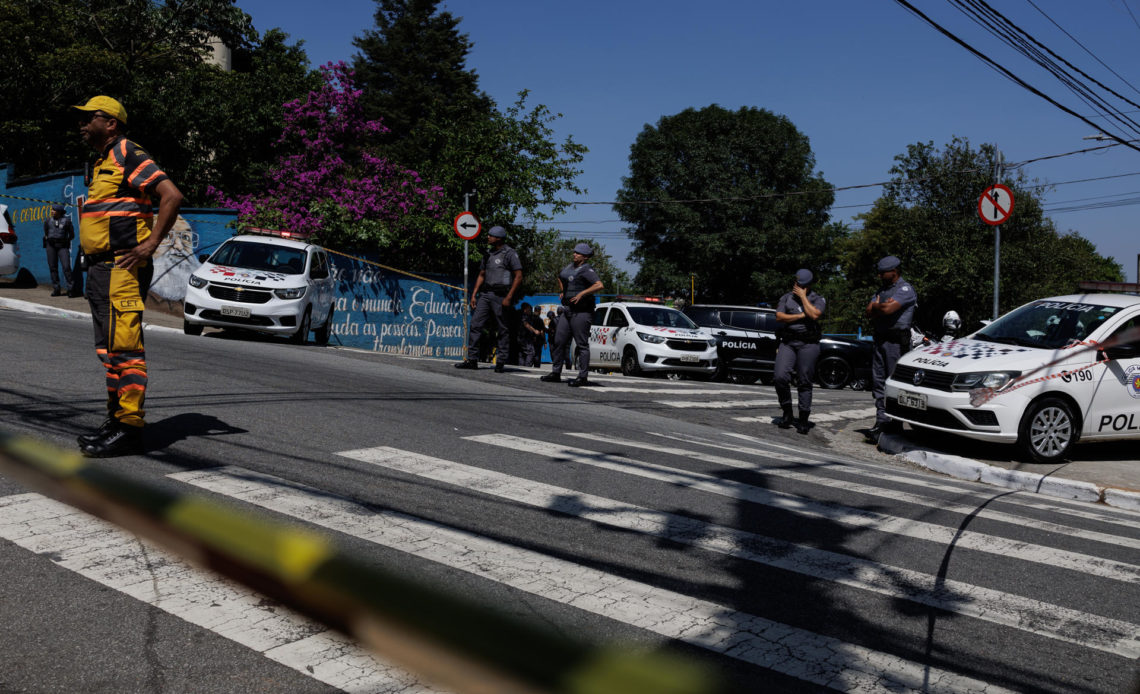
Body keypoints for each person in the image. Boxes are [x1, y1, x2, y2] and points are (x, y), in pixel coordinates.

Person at [71, 96, 184, 457]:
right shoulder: (102, 160)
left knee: (125, 348)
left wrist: (151, 244)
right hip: (102, 268)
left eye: (91, 117)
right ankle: (116, 419)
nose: (83, 123)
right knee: (109, 349)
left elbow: (171, 195)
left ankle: (130, 428)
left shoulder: (127, 153)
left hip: (122, 268)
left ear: (112, 122)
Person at [864, 255, 917, 443]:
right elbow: (868, 311)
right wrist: (880, 306)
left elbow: (886, 310)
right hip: (881, 341)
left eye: (882, 273)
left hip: (896, 344)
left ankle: (895, 423)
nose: (879, 276)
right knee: (878, 382)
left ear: (894, 272)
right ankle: (882, 421)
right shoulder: (883, 290)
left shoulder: (905, 289)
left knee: (894, 385)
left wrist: (878, 305)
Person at [455, 225, 522, 372]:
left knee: (502, 328)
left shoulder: (509, 253)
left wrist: (509, 296)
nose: (488, 237)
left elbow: (518, 276)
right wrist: (474, 294)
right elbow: (481, 275)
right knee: (475, 324)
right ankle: (472, 360)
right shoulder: (488, 254)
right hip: (485, 294)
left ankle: (501, 361)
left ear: (498, 238)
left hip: (501, 296)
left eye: (490, 235)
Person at [541, 243, 604, 387]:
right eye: (574, 252)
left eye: (578, 253)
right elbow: (560, 277)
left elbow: (599, 285)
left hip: (582, 312)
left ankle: (583, 377)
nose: (574, 254)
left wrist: (582, 293)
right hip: (568, 310)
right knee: (558, 340)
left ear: (585, 257)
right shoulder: (569, 267)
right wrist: (563, 290)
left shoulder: (587, 269)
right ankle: (556, 373)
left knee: (582, 345)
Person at [772, 269, 825, 435]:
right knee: (780, 376)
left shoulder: (817, 299)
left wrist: (803, 298)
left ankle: (803, 418)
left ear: (807, 286)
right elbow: (779, 316)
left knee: (804, 380)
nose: (796, 287)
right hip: (788, 342)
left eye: (800, 285)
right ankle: (787, 411)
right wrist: (801, 316)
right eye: (796, 283)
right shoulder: (786, 297)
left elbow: (815, 315)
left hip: (808, 343)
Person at [42, 204, 74, 296]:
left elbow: (72, 235)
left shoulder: (67, 221)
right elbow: (46, 232)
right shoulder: (48, 221)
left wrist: (65, 241)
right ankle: (56, 289)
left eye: (54, 210)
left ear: (59, 212)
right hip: (51, 246)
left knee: (66, 267)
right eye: (52, 209)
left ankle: (71, 289)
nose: (52, 211)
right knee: (53, 267)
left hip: (62, 246)